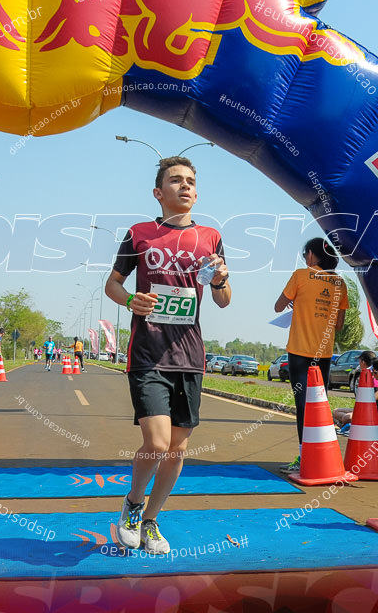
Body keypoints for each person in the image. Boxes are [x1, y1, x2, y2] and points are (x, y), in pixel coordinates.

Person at [105, 155, 231, 554]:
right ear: (159, 193)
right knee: (157, 444)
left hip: (190, 355)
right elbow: (112, 284)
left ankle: (152, 522)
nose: (185, 186)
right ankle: (132, 505)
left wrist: (223, 280)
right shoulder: (139, 234)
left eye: (191, 180)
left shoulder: (210, 238)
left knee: (178, 448)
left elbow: (223, 300)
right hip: (148, 352)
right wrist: (131, 301)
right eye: (176, 180)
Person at [273, 237, 348, 473]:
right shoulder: (339, 283)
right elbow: (338, 324)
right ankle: (320, 456)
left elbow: (277, 306)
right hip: (324, 355)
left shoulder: (301, 275)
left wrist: (298, 303)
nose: (305, 258)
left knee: (302, 405)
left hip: (299, 352)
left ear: (313, 255)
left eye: (306, 254)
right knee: (319, 405)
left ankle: (304, 456)